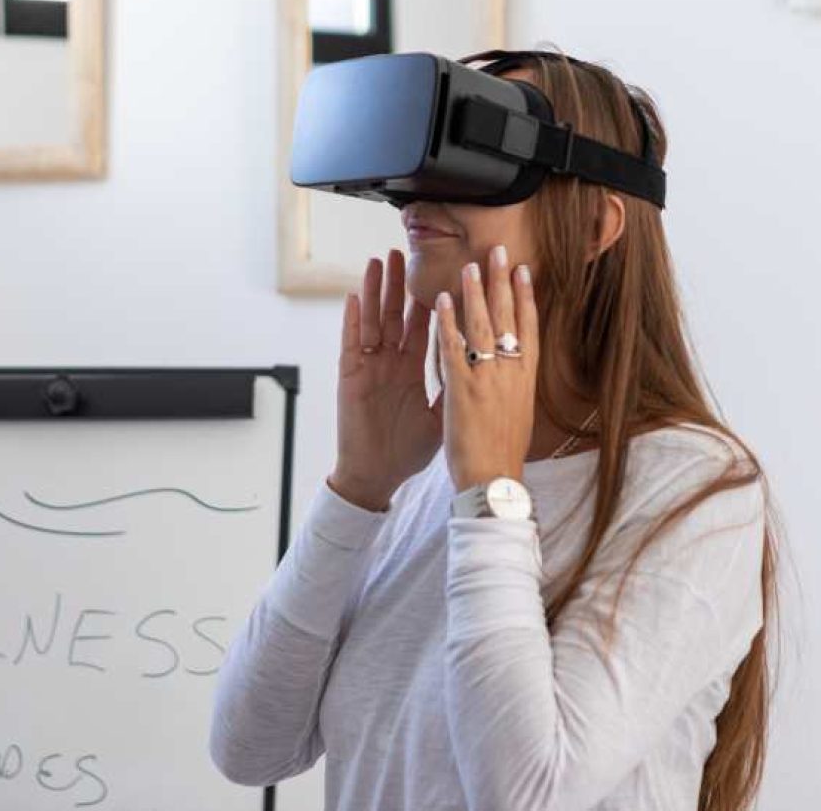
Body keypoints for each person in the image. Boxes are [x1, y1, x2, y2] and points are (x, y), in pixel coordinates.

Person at [208, 45, 784, 811]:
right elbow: (250, 747)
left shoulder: (697, 487)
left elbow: (529, 792)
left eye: (470, 161)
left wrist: (490, 489)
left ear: (596, 226)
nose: (417, 200)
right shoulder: (418, 478)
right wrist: (359, 488)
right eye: (410, 180)